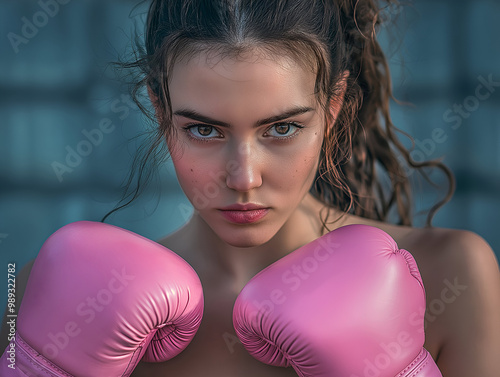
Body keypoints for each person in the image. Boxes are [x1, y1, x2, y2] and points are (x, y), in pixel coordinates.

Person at [1, 0, 500, 376]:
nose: (244, 178)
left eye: (281, 129)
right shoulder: (35, 299)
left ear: (333, 107)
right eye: (204, 129)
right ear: (159, 109)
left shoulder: (452, 273)